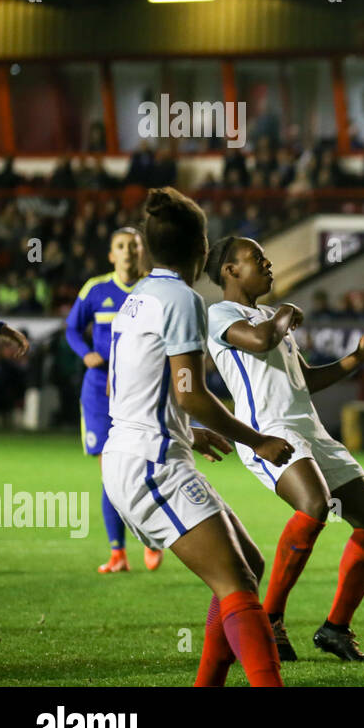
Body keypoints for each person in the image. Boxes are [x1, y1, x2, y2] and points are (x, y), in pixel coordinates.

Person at [102, 188, 295, 686]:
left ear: (146, 248)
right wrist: (258, 440)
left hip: (137, 451)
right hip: (151, 464)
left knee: (247, 563)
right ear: (203, 249)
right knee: (236, 584)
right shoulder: (183, 299)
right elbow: (191, 393)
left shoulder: (137, 298)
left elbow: (131, 383)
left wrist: (189, 431)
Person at [205, 235, 364, 663]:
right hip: (268, 433)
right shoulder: (221, 314)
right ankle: (269, 618)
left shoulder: (271, 316)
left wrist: (356, 358)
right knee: (314, 504)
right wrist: (288, 313)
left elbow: (303, 380)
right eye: (258, 260)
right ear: (231, 271)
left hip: (310, 429)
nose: (268, 265)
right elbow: (259, 341)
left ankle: (336, 629)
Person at [65, 227, 157, 574]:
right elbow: (72, 328)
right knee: (111, 474)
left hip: (141, 391)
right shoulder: (96, 289)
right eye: (121, 246)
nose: (129, 251)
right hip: (99, 390)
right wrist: (86, 353)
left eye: (134, 245)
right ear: (111, 255)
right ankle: (118, 552)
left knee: (146, 469)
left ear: (142, 251)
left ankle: (150, 537)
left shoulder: (153, 289)